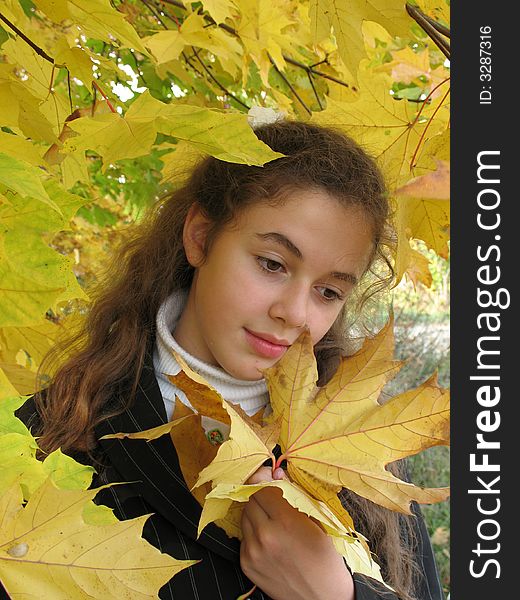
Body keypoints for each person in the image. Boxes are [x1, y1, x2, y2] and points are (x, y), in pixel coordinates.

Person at [16, 120, 444, 600]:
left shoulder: (357, 444)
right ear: (200, 237)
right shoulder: (56, 432)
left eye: (328, 292)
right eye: (272, 264)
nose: (295, 314)